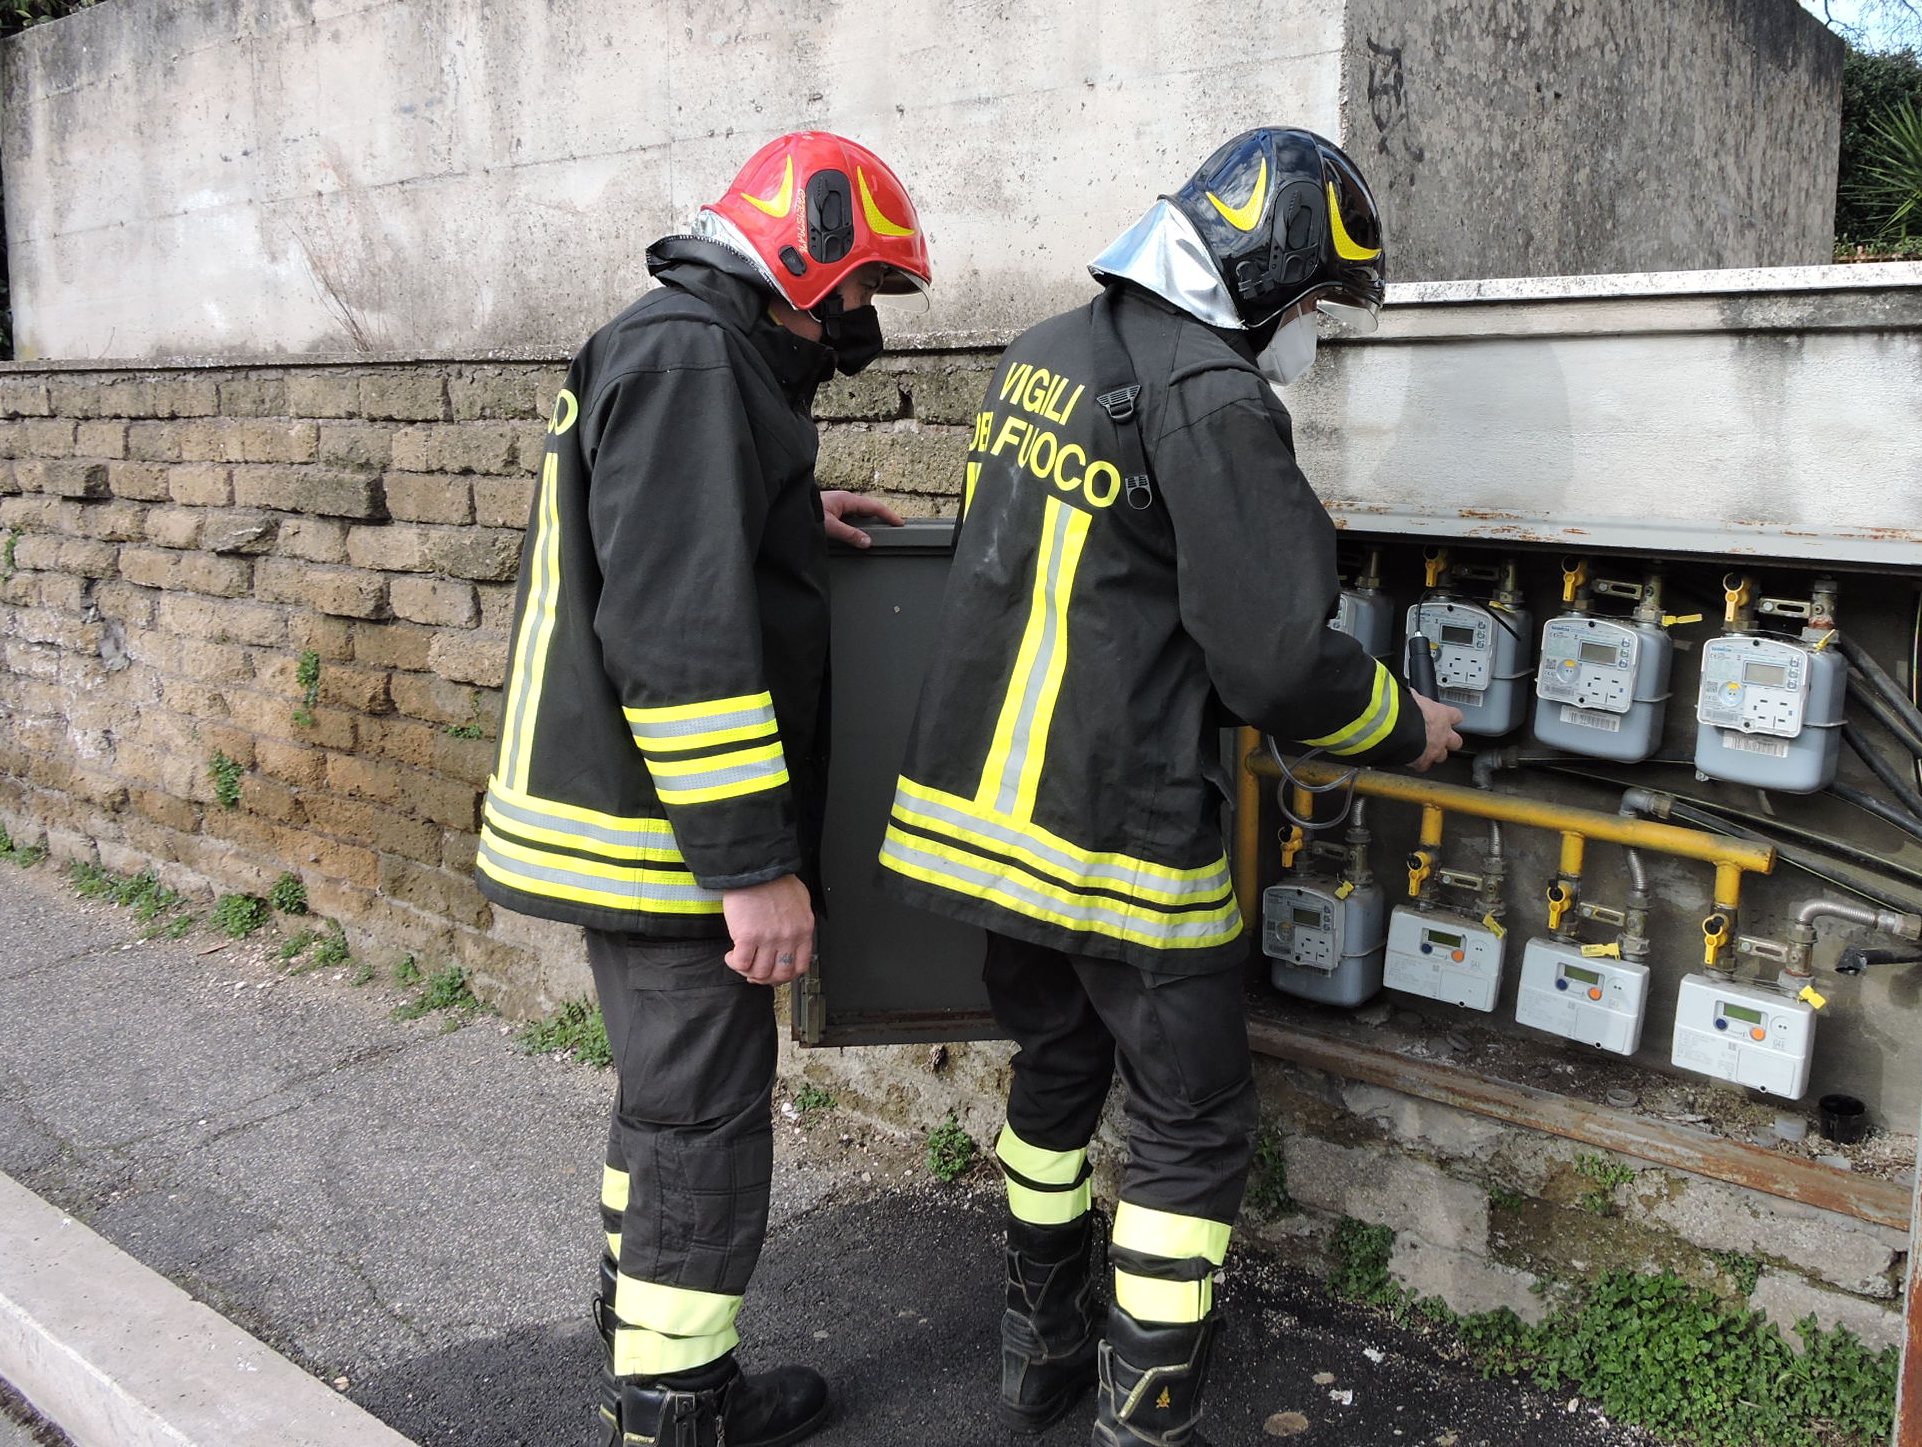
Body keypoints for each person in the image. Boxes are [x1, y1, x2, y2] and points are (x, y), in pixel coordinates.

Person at [881, 128, 1464, 1444]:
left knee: (1053, 1065)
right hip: (1121, 839)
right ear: (1266, 268)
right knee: (1194, 1124)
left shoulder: (1044, 354)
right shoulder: (1214, 396)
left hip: (988, 826)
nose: (1309, 328)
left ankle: (1041, 1350)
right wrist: (1399, 721)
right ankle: (1143, 1418)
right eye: (1312, 299)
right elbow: (1270, 660)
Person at [473, 132, 929, 1447]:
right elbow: (679, 639)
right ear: (803, 256)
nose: (859, 324)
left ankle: (637, 1330)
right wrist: (751, 866)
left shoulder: (688, 352)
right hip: (662, 839)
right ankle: (678, 1405)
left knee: (665, 1105)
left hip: (625, 818)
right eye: (858, 292)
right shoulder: (688, 361)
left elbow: (665, 543)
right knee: (703, 1122)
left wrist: (790, 510)